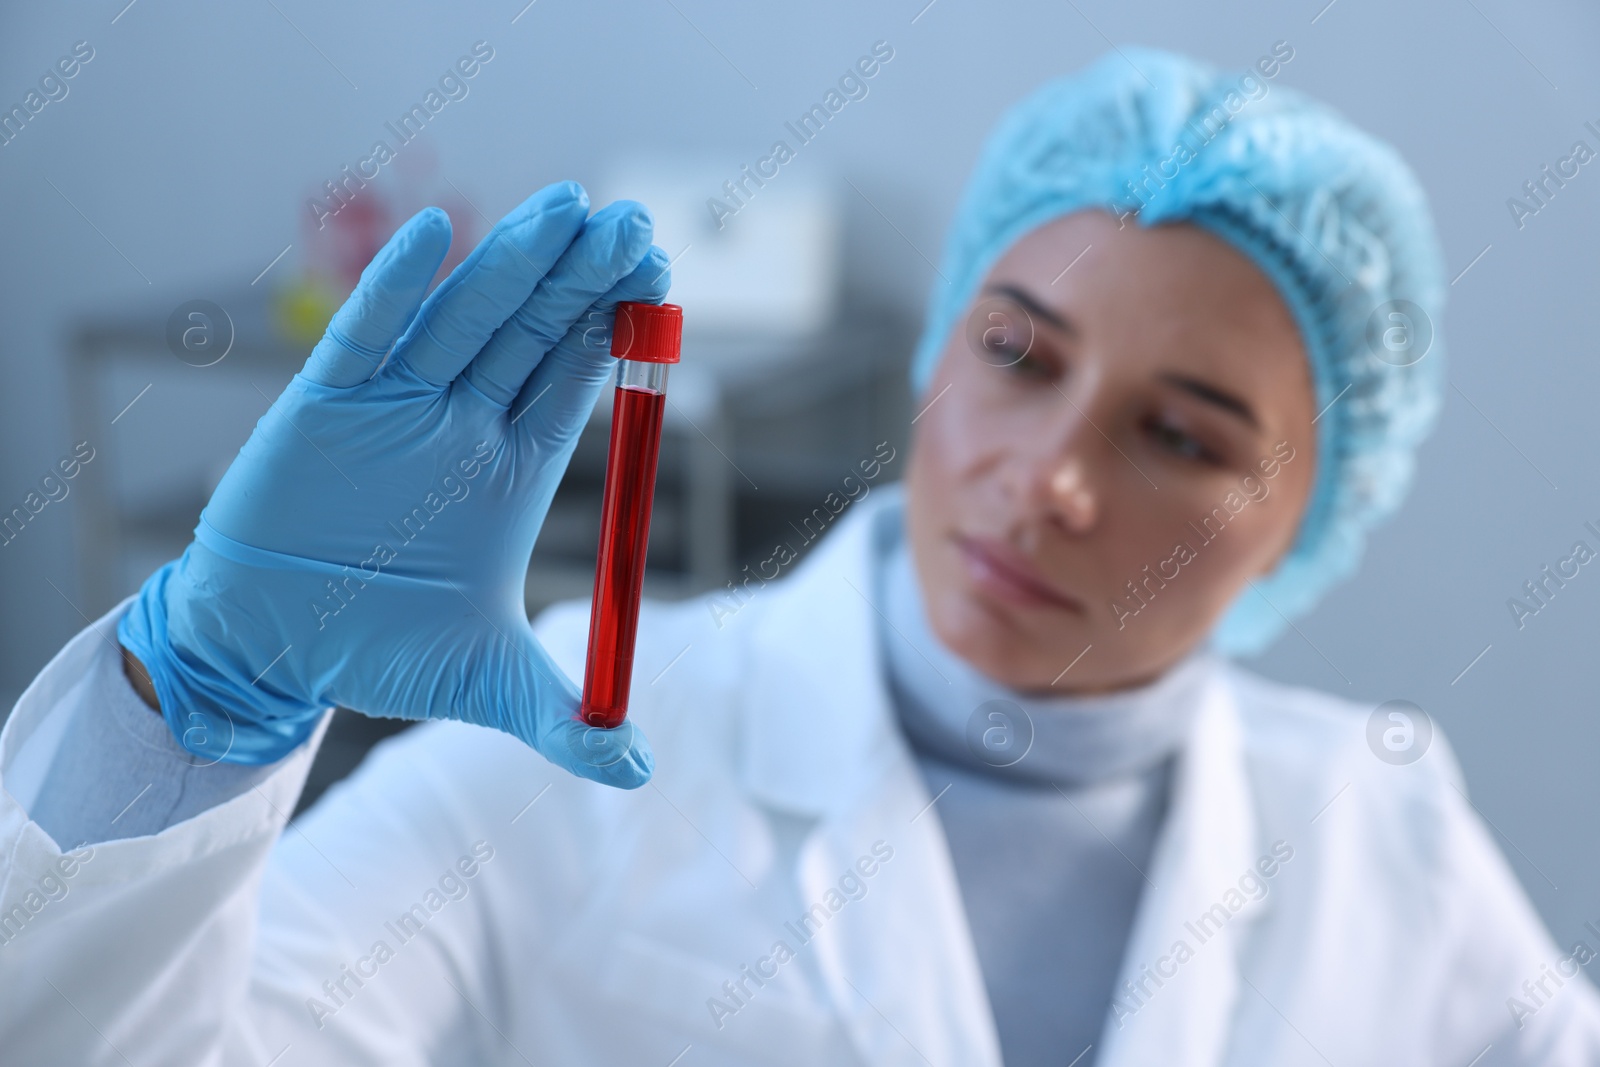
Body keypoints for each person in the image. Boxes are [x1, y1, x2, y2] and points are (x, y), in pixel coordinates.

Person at [0, 46, 1593, 1067]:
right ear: (936, 357)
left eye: (1179, 438)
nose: (1048, 483)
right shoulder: (579, 737)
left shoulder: (1377, 830)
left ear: (1313, 517)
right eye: (1018, 353)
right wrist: (188, 708)